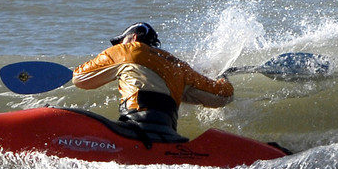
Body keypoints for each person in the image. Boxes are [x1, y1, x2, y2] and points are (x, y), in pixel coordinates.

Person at [72, 22, 234, 139]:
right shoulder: (178, 67)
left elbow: (79, 79)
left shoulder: (126, 50)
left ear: (133, 38)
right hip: (168, 135)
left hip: (134, 129)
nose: (119, 44)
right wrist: (221, 77)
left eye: (121, 41)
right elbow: (222, 97)